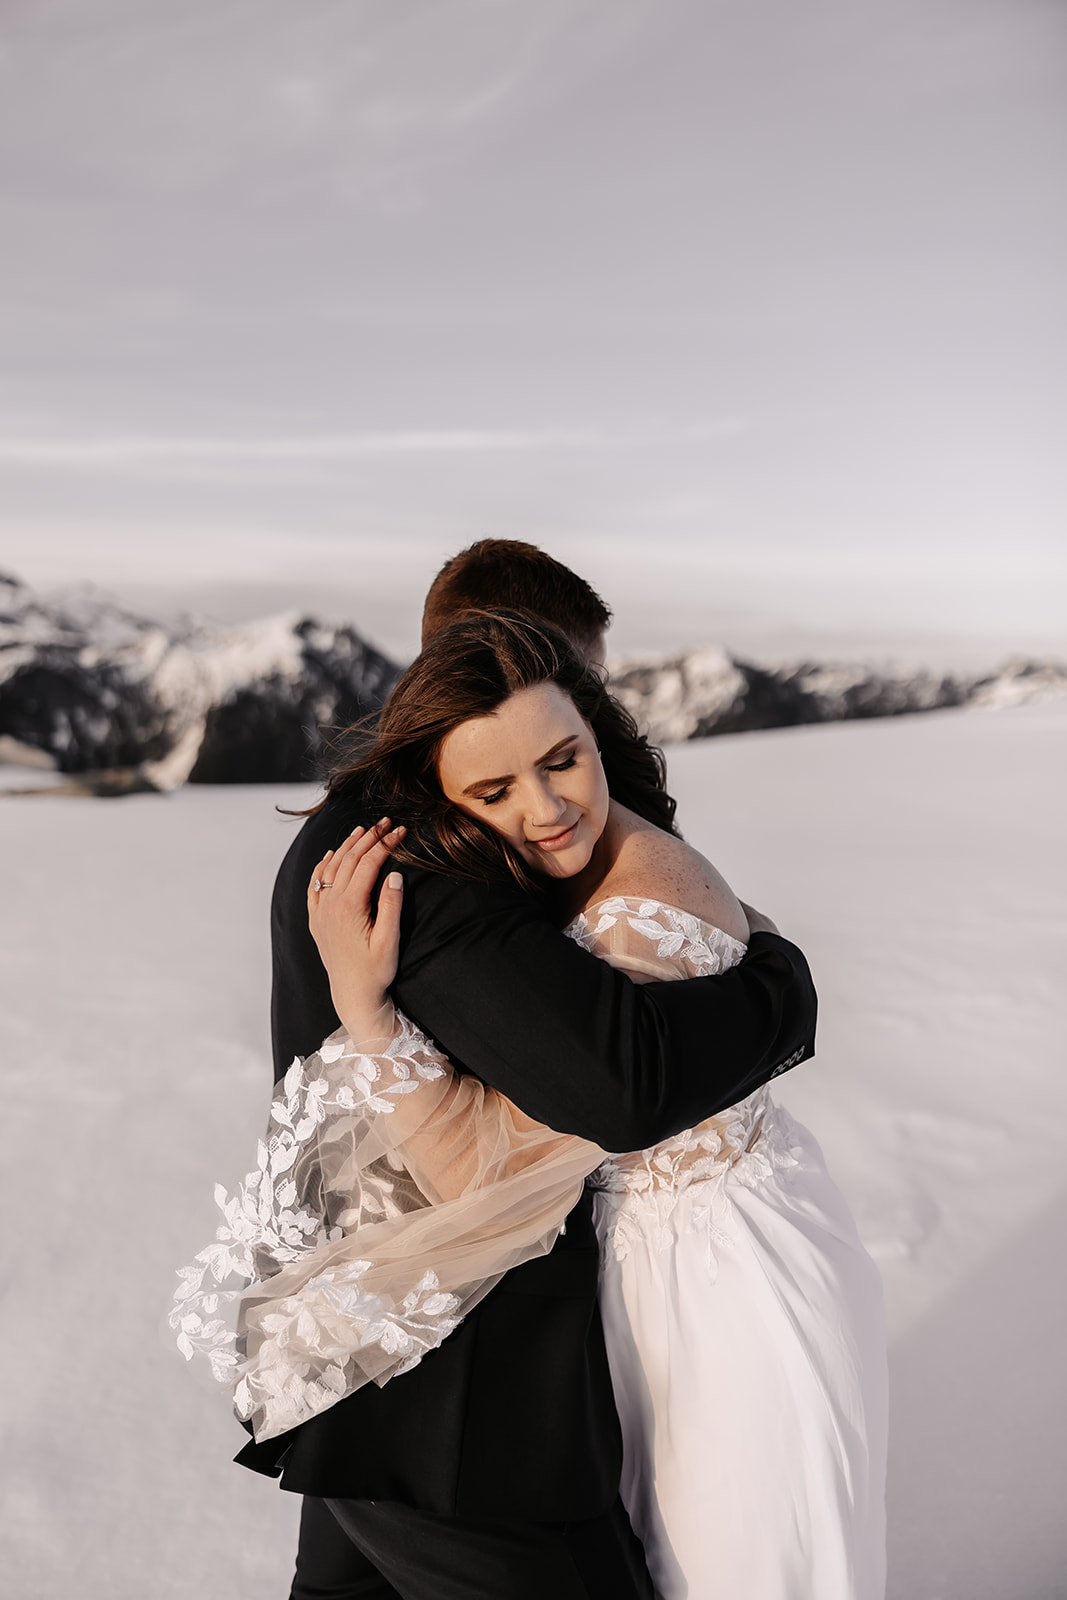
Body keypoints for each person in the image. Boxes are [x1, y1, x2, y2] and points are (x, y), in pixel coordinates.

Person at [191, 544, 821, 1600]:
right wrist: (780, 987)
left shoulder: (391, 814)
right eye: (581, 681)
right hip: (455, 1407)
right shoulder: (416, 858)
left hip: (367, 1362)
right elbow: (620, 1083)